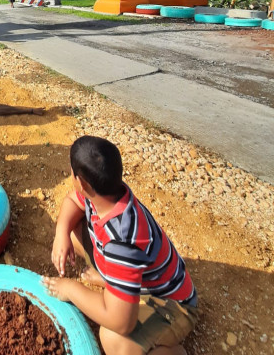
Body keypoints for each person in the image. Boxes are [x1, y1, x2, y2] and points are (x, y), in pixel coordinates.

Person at [42, 136, 197, 355]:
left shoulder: (122, 242)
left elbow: (122, 322)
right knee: (74, 232)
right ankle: (113, 282)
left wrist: (71, 289)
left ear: (82, 182)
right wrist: (61, 232)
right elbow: (72, 200)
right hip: (137, 277)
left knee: (114, 338)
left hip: (172, 305)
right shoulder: (106, 193)